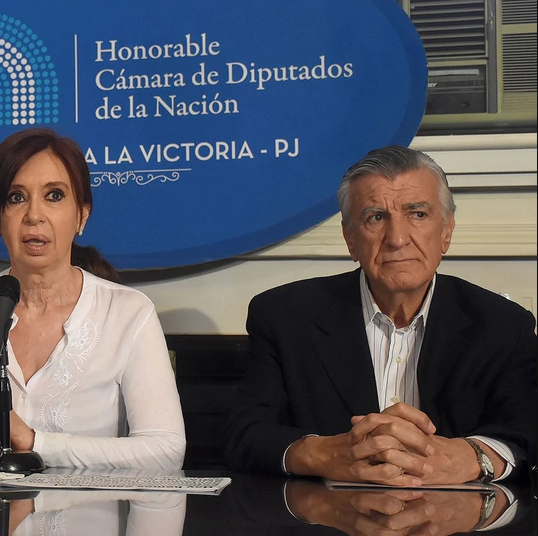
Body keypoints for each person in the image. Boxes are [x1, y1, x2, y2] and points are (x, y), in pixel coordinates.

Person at [225, 145, 537, 485]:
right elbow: (245, 436)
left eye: (417, 214)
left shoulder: (502, 325)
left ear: (446, 231)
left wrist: (475, 457)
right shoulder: (284, 317)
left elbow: (526, 434)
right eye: (375, 217)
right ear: (350, 239)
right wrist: (324, 454)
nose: (397, 239)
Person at [0, 128, 185, 469]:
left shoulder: (128, 313)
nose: (34, 215)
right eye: (16, 197)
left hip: (90, 505)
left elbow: (166, 450)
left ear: (82, 215)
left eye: (54, 196)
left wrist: (34, 442)